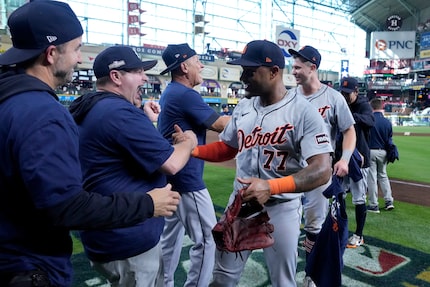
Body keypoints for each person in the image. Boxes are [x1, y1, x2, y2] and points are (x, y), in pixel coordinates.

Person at [0, 2, 181, 287]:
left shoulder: (11, 95)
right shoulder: (40, 111)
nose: (79, 58)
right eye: (75, 49)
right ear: (51, 54)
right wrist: (147, 203)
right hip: (27, 265)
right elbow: (64, 207)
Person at [189, 40, 333, 287]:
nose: (243, 76)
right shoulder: (243, 107)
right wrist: (191, 150)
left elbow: (322, 169)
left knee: (283, 282)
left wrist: (273, 187)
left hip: (282, 209)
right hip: (240, 206)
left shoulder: (302, 112)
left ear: (274, 72)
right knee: (222, 279)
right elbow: (228, 147)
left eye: (250, 70)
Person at [68, 45, 198, 287]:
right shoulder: (119, 112)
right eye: (138, 71)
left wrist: (142, 116)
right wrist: (189, 143)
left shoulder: (94, 106)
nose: (145, 77)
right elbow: (171, 164)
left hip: (108, 233)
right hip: (128, 240)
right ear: (116, 77)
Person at [157, 43, 230, 287]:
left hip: (171, 177)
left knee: (169, 241)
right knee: (208, 238)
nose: (201, 65)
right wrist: (254, 113)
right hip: (186, 179)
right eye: (197, 61)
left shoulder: (172, 91)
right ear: (184, 67)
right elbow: (220, 124)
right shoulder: (184, 93)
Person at [288, 45, 356, 286]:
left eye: (298, 66)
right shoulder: (289, 96)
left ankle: (310, 275)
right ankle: (285, 274)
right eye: (292, 66)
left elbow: (349, 130)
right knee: (286, 224)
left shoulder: (333, 97)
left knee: (314, 227)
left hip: (319, 173)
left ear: (312, 67)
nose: (293, 70)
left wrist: (345, 159)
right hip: (291, 171)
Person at [338, 77, 375, 248]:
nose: (344, 96)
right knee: (339, 194)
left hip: (359, 159)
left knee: (359, 197)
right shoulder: (341, 102)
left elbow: (370, 120)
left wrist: (351, 116)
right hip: (343, 157)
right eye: (342, 92)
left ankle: (359, 235)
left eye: (347, 94)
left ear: (356, 92)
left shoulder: (363, 104)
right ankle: (340, 228)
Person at [367, 98, 395, 212]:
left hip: (371, 150)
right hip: (383, 152)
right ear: (381, 107)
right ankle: (389, 201)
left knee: (372, 178)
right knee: (383, 176)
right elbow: (390, 139)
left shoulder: (369, 119)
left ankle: (374, 204)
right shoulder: (387, 122)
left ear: (371, 107)